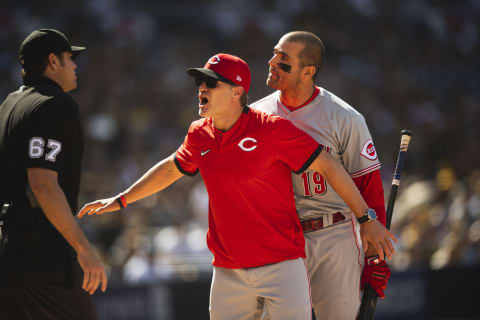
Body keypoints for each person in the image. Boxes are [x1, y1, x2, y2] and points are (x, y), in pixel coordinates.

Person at [78, 53, 396, 320]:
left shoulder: (271, 129)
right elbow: (172, 168)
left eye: (210, 82)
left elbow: (329, 165)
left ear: (236, 91)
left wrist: (367, 219)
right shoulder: (199, 133)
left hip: (283, 267)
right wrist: (121, 200)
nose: (201, 88)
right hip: (229, 272)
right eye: (199, 82)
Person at [250, 31, 391, 319]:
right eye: (275, 53)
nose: (272, 62)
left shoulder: (344, 117)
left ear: (308, 71)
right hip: (279, 239)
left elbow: (369, 186)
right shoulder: (255, 115)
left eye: (284, 59)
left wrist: (375, 255)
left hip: (332, 234)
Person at [0, 29, 107, 320]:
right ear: (53, 61)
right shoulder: (54, 104)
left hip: (7, 252)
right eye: (70, 58)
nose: (75, 66)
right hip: (42, 259)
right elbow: (43, 185)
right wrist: (82, 248)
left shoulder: (8, 105)